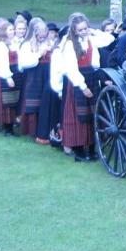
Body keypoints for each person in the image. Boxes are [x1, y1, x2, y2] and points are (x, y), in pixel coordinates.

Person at [51, 13, 104, 162]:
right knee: (78, 117)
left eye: (85, 28)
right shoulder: (69, 44)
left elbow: (109, 38)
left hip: (92, 77)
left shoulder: (90, 39)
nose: (83, 31)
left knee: (92, 115)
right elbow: (71, 69)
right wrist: (82, 86)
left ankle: (92, 149)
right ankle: (79, 150)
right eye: (80, 30)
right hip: (77, 82)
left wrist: (93, 31)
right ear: (73, 30)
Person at [17, 17, 49, 139]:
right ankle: (32, 130)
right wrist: (38, 54)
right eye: (40, 36)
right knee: (33, 102)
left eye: (43, 36)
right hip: (33, 76)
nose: (42, 38)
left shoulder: (48, 42)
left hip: (46, 75)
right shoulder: (26, 45)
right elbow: (24, 63)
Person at [0, 18, 22, 136]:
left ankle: (12, 126)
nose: (13, 31)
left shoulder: (15, 43)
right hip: (7, 75)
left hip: (17, 73)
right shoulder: (1, 45)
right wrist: (8, 77)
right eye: (10, 30)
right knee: (7, 102)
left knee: (14, 101)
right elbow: (1, 63)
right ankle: (7, 128)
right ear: (4, 31)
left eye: (13, 29)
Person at [36, 23, 62, 146]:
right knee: (47, 107)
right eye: (50, 32)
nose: (53, 34)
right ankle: (45, 134)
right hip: (48, 78)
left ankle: (55, 133)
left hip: (53, 78)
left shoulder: (57, 46)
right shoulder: (44, 45)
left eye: (54, 32)